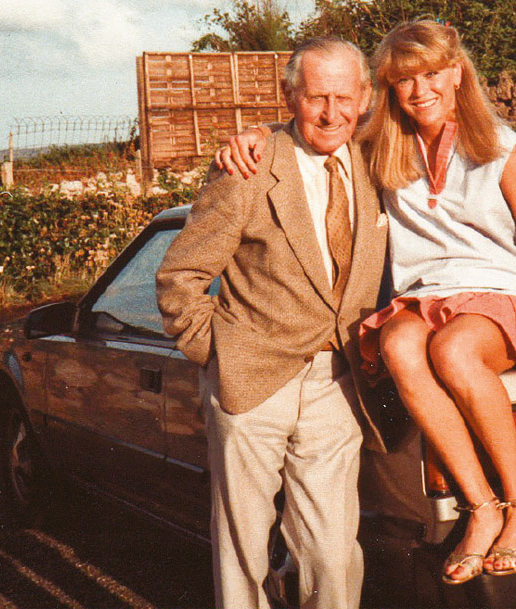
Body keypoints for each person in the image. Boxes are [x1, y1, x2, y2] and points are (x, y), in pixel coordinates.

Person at [216, 20, 516, 586]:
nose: (420, 89)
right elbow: (317, 126)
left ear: (457, 74)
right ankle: (481, 509)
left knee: (454, 352)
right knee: (400, 344)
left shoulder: (501, 147)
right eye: (405, 79)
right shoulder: (383, 144)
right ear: (389, 87)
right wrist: (256, 132)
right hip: (421, 299)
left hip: (494, 296)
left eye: (432, 73)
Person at [157, 37, 386, 609]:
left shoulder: (379, 163)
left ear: (364, 98)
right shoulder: (250, 167)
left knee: (332, 558)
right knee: (243, 555)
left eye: (343, 97)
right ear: (290, 96)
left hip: (338, 383)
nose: (331, 113)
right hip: (250, 383)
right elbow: (179, 277)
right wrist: (220, 350)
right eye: (315, 98)